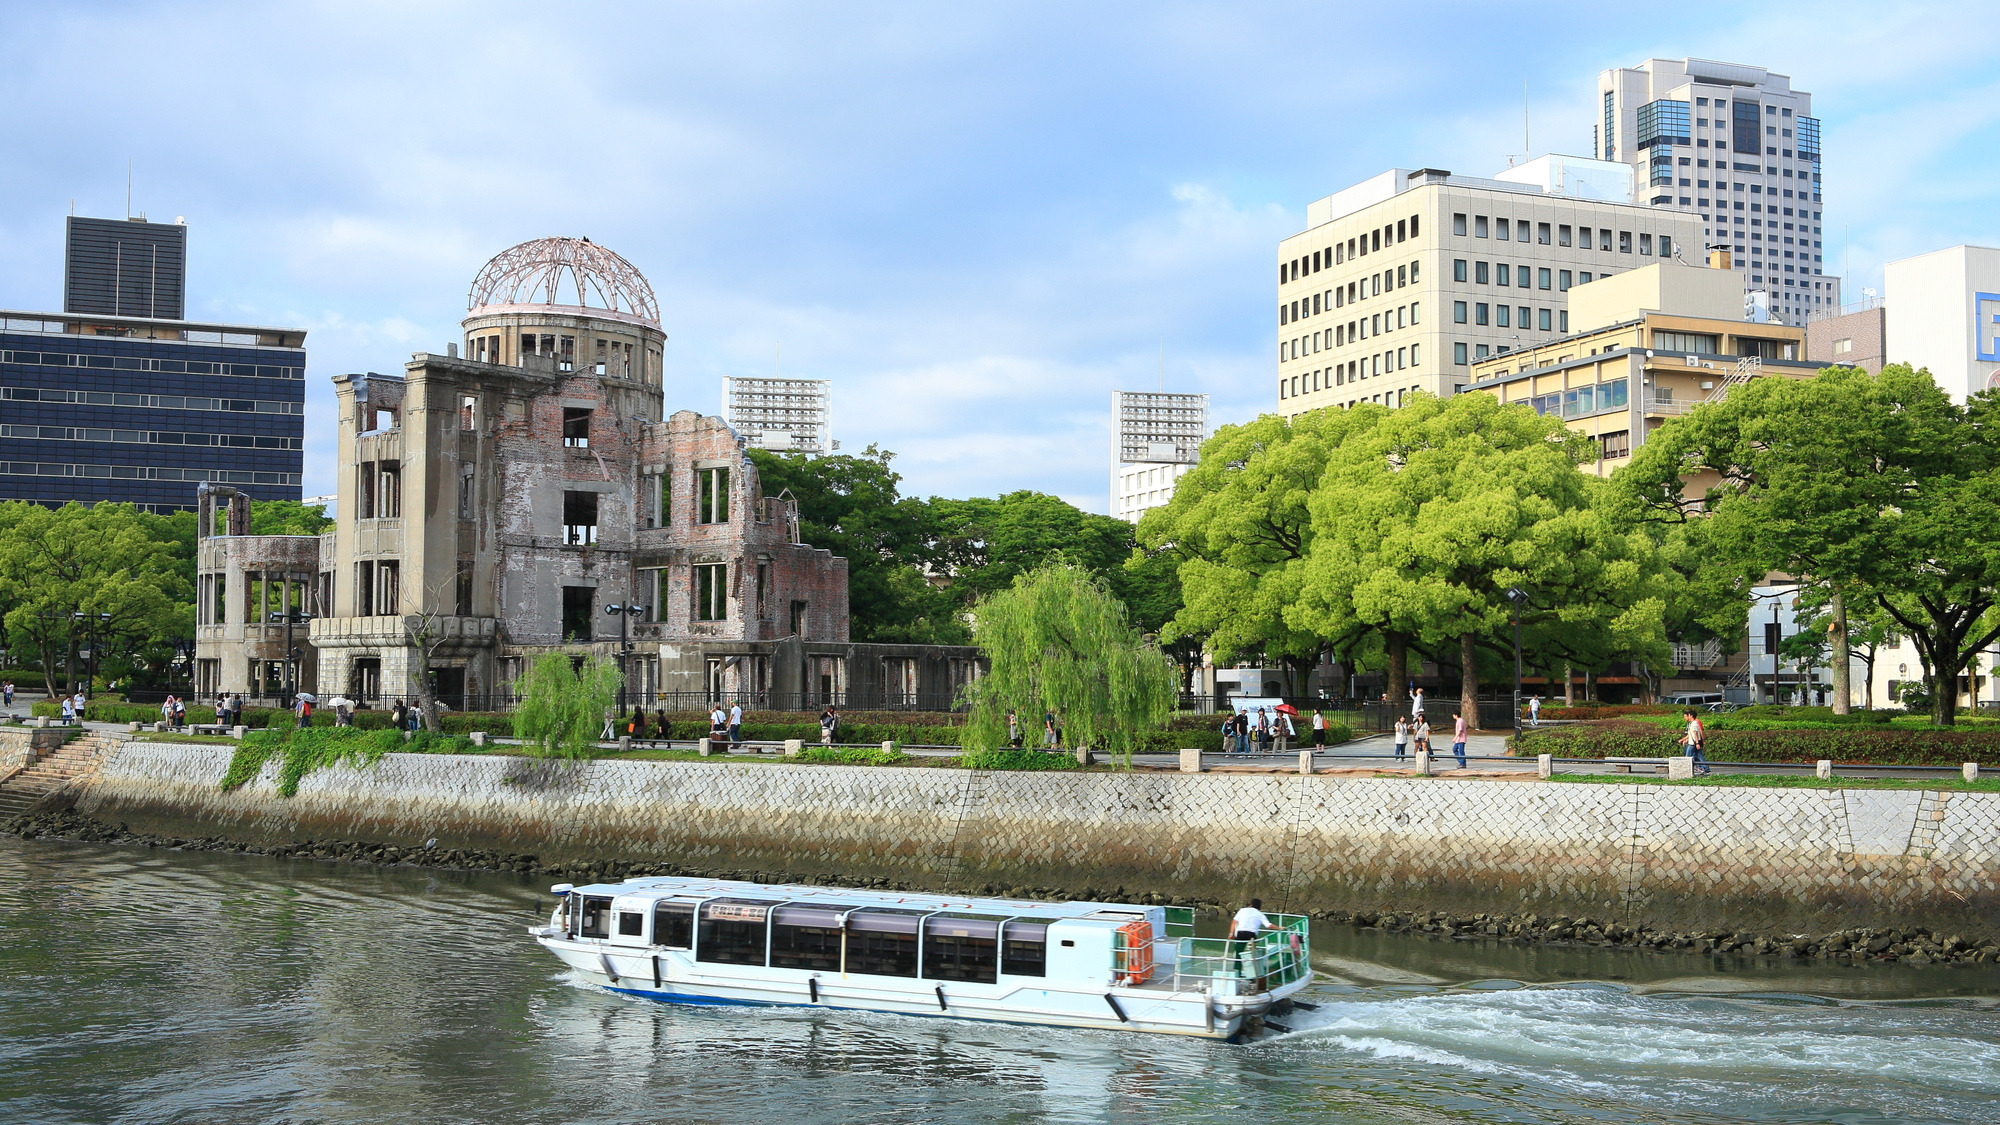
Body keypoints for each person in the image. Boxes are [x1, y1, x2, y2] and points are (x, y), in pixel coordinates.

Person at [1677, 709, 1711, 776]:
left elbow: (1695, 733)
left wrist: (1697, 743)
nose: (1687, 717)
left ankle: (1686, 770)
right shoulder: (1692, 723)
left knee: (1688, 756)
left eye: (1688, 715)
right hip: (1693, 742)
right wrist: (1683, 739)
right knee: (1699, 755)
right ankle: (1705, 768)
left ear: (1691, 716)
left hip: (1692, 743)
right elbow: (1691, 734)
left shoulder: (1694, 723)